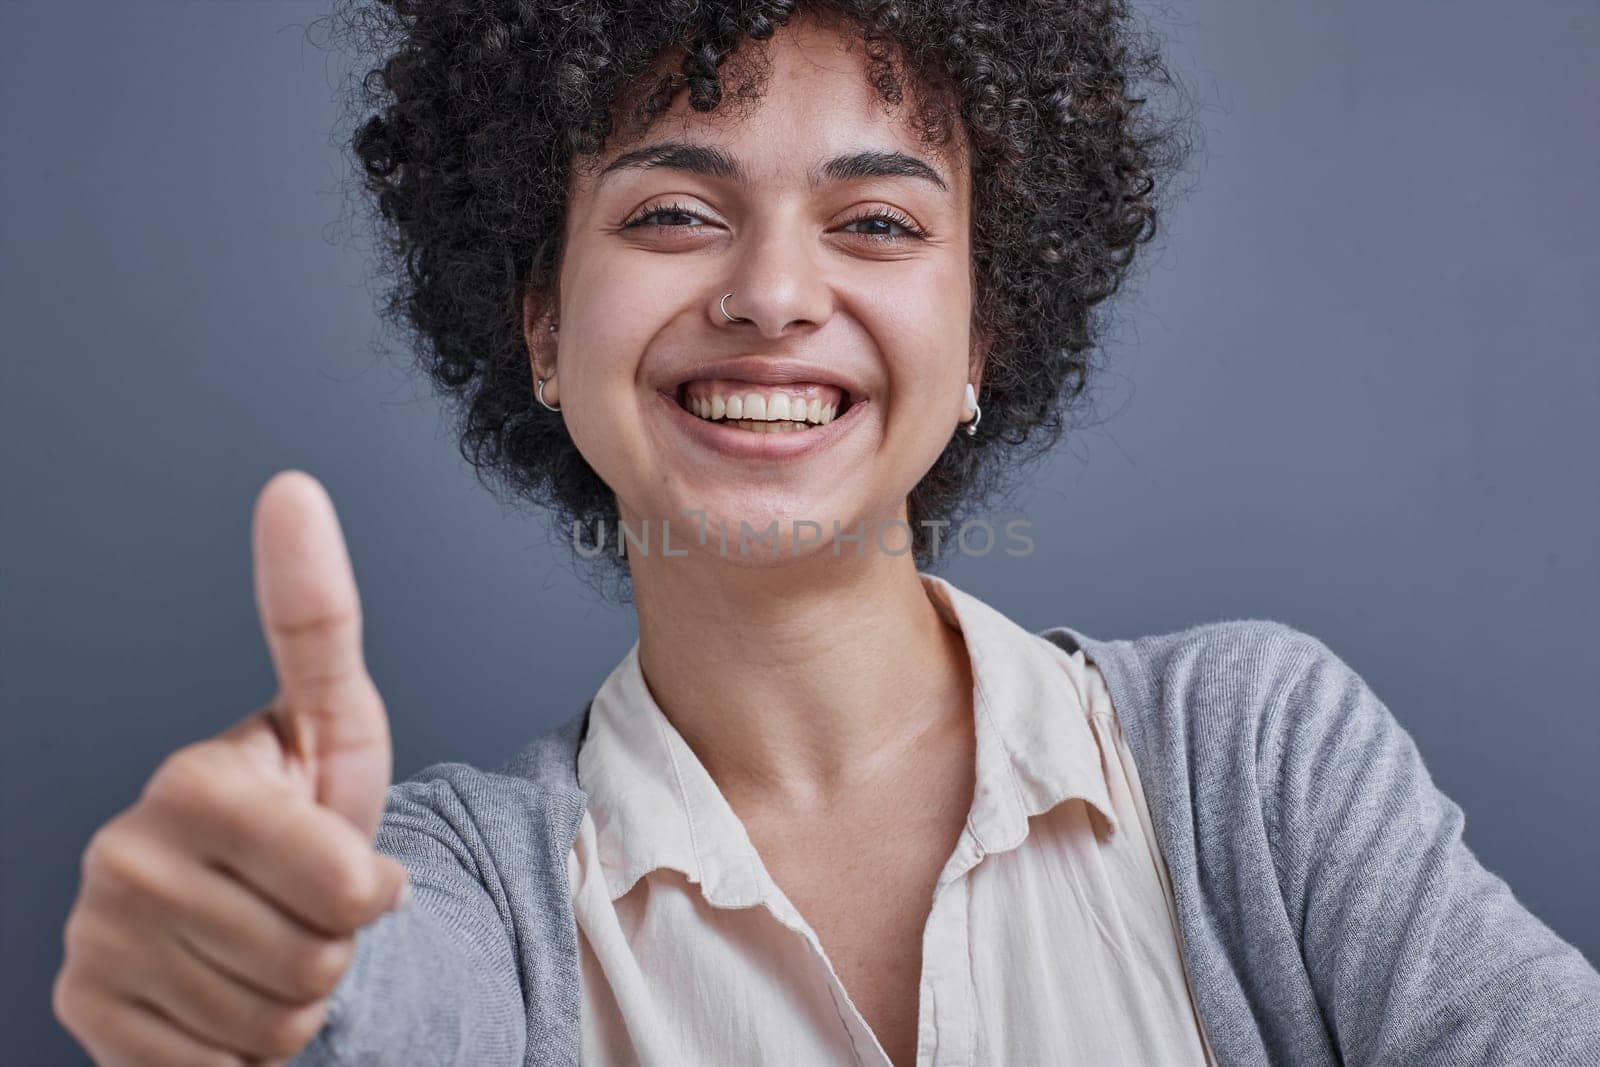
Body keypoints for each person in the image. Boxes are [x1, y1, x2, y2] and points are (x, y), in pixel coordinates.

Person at [52, 2, 1600, 1065]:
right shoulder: (464, 889)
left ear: (986, 332)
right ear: (539, 325)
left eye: (877, 221)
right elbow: (369, 1011)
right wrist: (255, 992)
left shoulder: (1252, 758)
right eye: (672, 212)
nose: (775, 295)